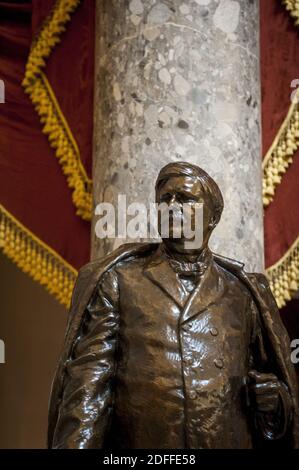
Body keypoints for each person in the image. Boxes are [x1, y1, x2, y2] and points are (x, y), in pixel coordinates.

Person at [48, 162, 299, 449]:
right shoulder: (120, 281)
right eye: (165, 199)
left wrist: (275, 403)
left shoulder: (243, 293)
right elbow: (88, 389)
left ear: (213, 216)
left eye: (186, 199)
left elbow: (274, 390)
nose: (173, 206)